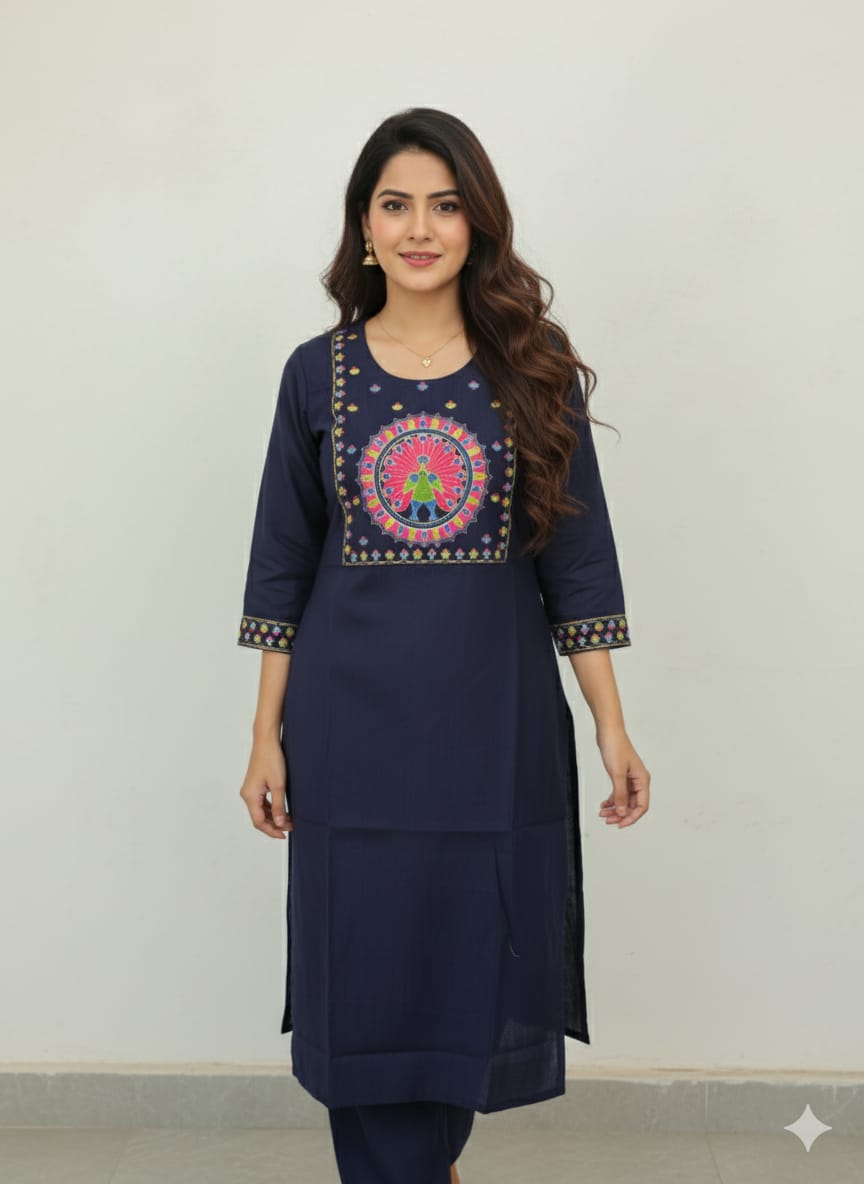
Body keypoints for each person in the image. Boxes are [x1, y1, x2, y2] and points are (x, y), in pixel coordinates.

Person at [236, 106, 651, 1184]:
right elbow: (281, 566)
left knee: (468, 955)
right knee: (364, 958)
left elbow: (579, 564)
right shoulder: (316, 373)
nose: (421, 227)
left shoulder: (533, 369)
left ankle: (431, 1161)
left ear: (478, 225)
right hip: (348, 726)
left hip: (492, 721)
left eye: (446, 204)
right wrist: (265, 735)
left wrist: (611, 726)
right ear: (365, 228)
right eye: (396, 205)